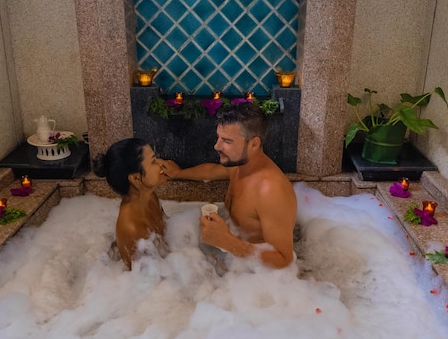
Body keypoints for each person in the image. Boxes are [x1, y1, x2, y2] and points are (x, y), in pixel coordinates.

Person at [161, 102, 297, 269]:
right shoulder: (239, 165)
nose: (217, 146)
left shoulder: (270, 190)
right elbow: (211, 171)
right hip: (237, 261)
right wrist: (179, 173)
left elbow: (284, 260)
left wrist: (227, 242)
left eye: (226, 141)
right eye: (218, 137)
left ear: (253, 144)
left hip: (261, 277)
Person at [93, 138, 168, 270]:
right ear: (136, 178)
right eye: (153, 161)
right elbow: (147, 282)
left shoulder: (150, 197)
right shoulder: (131, 228)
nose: (161, 164)